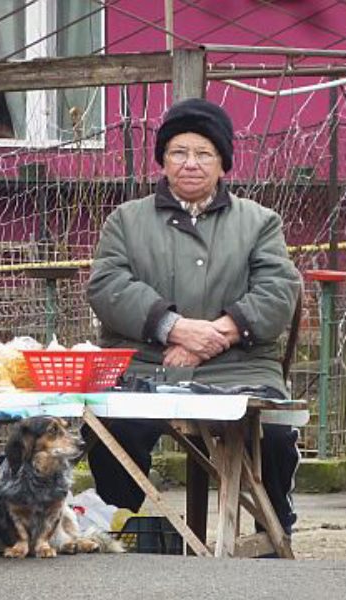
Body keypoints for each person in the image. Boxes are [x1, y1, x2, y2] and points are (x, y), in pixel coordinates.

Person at [86, 98, 303, 536]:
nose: (190, 164)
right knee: (112, 425)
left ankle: (272, 531)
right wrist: (174, 328)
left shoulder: (260, 222)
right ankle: (123, 525)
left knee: (274, 435)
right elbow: (107, 286)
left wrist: (220, 334)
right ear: (163, 161)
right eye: (178, 152)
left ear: (223, 164)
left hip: (239, 364)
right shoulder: (126, 221)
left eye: (204, 154)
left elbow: (280, 290)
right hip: (147, 363)